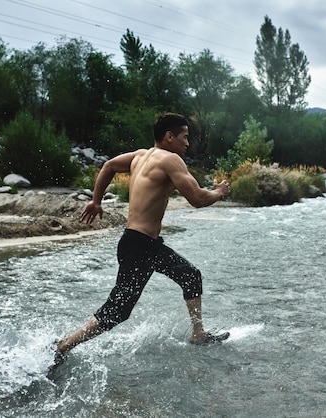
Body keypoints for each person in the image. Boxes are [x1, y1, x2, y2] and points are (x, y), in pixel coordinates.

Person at [54, 113, 230, 364]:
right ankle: (64, 345)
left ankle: (198, 334)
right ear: (169, 137)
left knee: (190, 276)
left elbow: (108, 166)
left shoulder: (139, 156)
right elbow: (198, 199)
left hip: (142, 244)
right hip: (140, 246)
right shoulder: (171, 160)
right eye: (185, 137)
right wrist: (220, 192)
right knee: (118, 311)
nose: (187, 144)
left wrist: (96, 200)